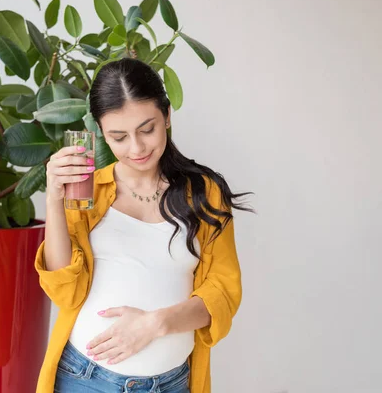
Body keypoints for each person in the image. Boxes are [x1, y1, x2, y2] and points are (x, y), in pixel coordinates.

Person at [34, 58, 254, 393]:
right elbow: (63, 288)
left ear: (166, 116)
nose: (136, 148)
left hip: (172, 384)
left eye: (147, 129)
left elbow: (222, 294)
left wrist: (155, 324)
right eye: (118, 137)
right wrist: (53, 198)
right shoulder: (86, 194)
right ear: (100, 132)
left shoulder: (205, 194)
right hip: (86, 380)